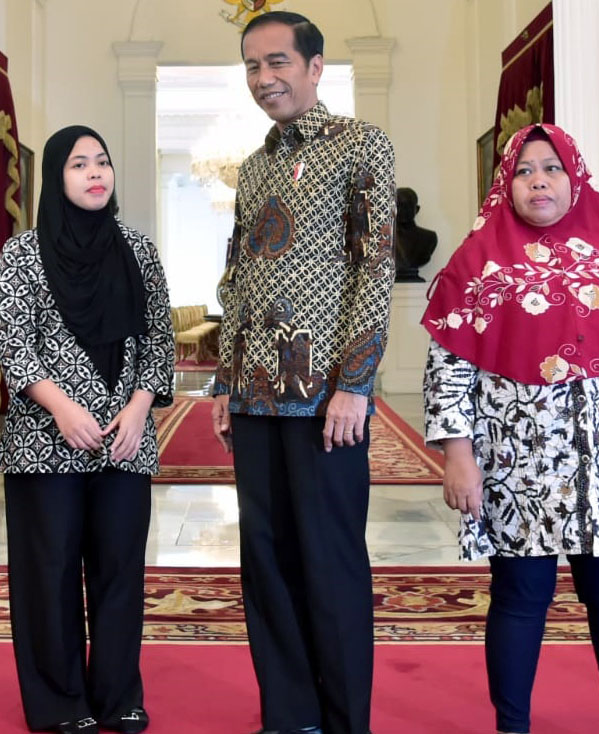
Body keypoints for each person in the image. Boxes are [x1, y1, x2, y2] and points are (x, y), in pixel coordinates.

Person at [422, 123, 599, 734]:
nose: (538, 180)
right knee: (520, 600)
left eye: (551, 168)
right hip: (519, 466)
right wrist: (457, 453)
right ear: (506, 184)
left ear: (574, 180)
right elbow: (449, 368)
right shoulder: (476, 262)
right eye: (524, 171)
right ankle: (512, 726)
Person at [209, 11, 395, 734]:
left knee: (330, 561)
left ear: (315, 67)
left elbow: (373, 267)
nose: (265, 79)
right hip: (255, 397)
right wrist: (224, 380)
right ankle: (289, 716)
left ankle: (346, 719)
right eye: (253, 66)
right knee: (266, 560)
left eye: (278, 62)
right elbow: (237, 277)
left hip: (324, 398)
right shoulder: (254, 165)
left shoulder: (361, 146)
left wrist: (355, 383)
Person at [0, 126, 174, 734]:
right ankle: (59, 702)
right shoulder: (21, 253)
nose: (95, 173)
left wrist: (141, 405)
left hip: (125, 439)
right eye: (78, 164)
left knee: (121, 572)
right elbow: (14, 346)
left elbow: (157, 336)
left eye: (102, 161)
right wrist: (62, 408)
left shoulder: (138, 249)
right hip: (46, 444)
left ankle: (119, 695)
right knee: (48, 576)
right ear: (55, 177)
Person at [394, 187, 437, 282]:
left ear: (416, 209)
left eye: (407, 206)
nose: (403, 210)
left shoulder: (429, 237)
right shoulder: (383, 238)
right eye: (398, 206)